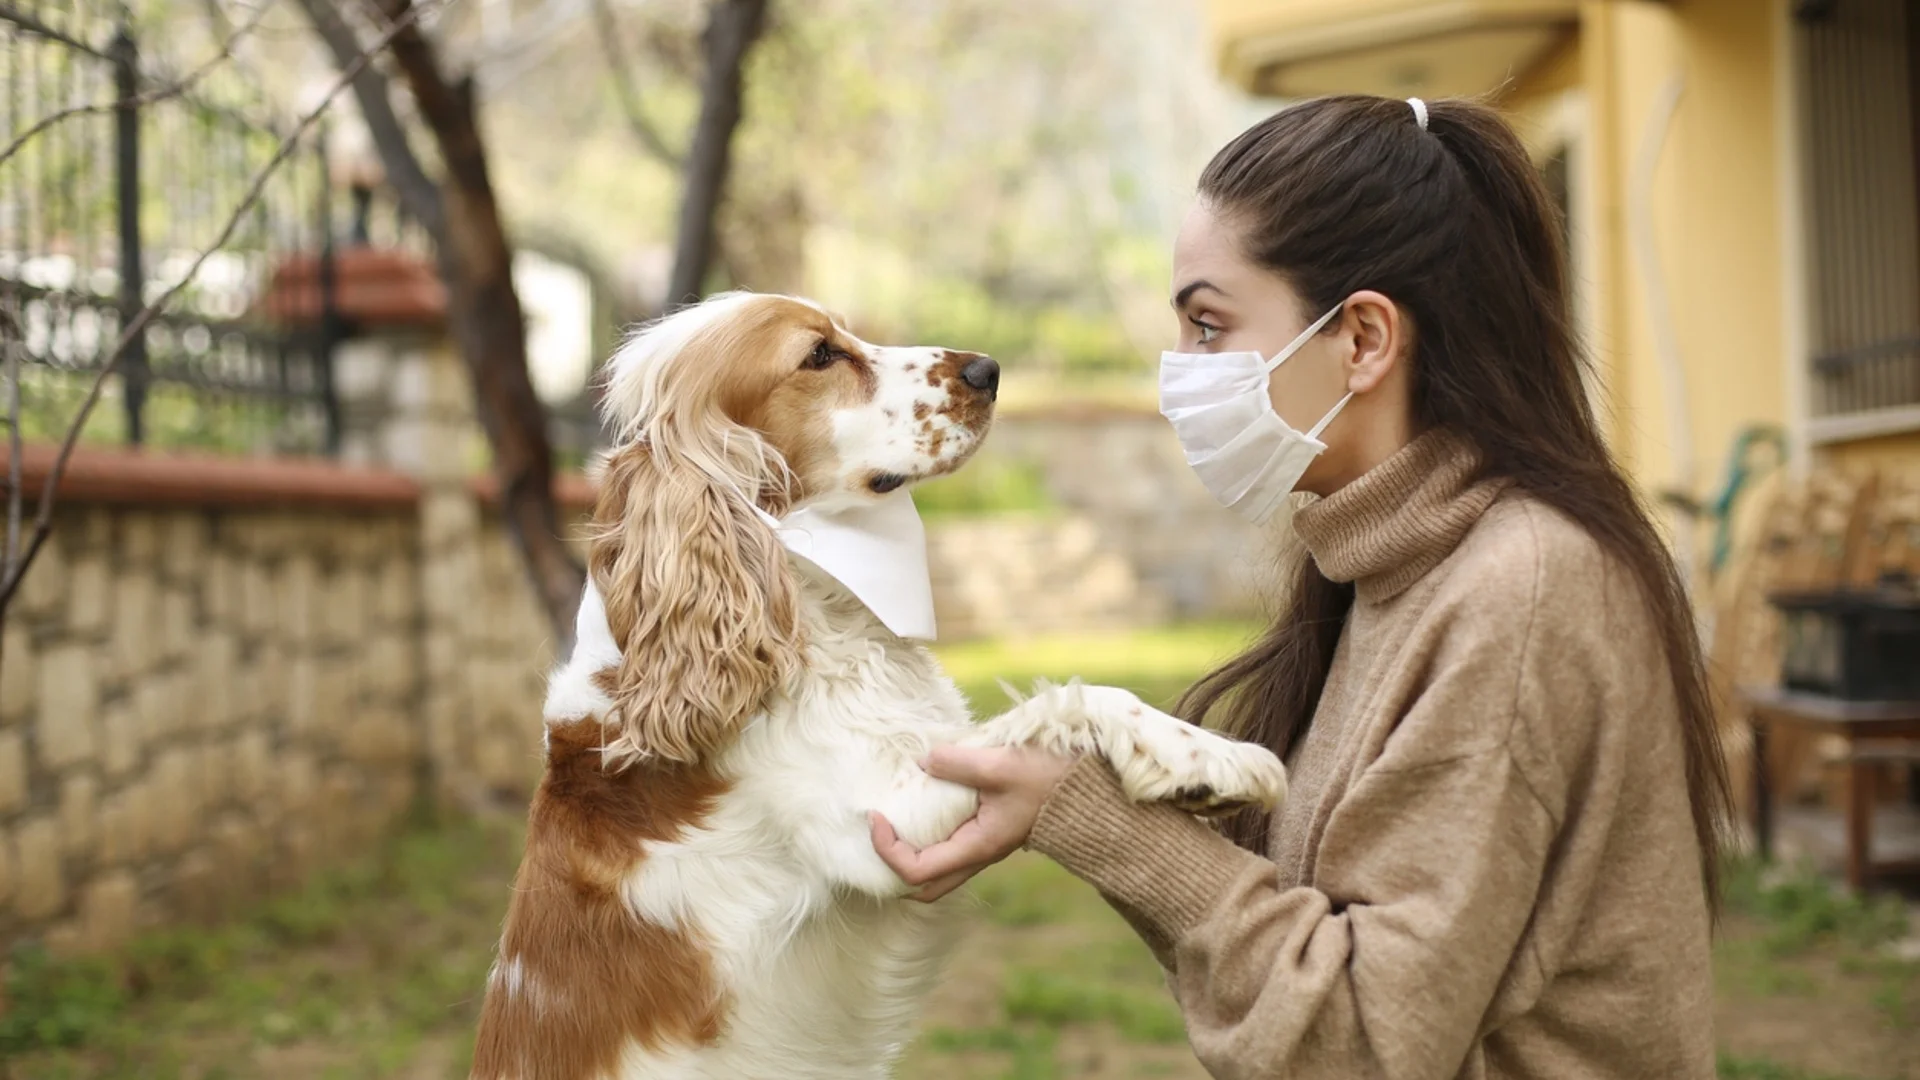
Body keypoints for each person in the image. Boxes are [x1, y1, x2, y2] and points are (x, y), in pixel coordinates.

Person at [871, 94, 1730, 1080]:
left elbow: (1359, 1042)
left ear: (1362, 339)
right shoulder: (1393, 566)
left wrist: (1088, 815)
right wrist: (1077, 792)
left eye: (1207, 325)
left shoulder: (1521, 590)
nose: (1180, 374)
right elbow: (1295, 935)